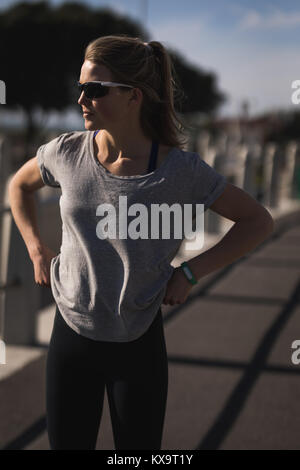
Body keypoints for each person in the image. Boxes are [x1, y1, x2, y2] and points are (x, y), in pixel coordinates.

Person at [8, 35, 274, 450]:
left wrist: (190, 271)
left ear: (134, 96)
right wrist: (36, 250)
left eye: (95, 90)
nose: (82, 98)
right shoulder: (65, 153)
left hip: (137, 343)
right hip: (71, 335)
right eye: (79, 88)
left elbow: (257, 221)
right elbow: (17, 187)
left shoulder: (179, 171)